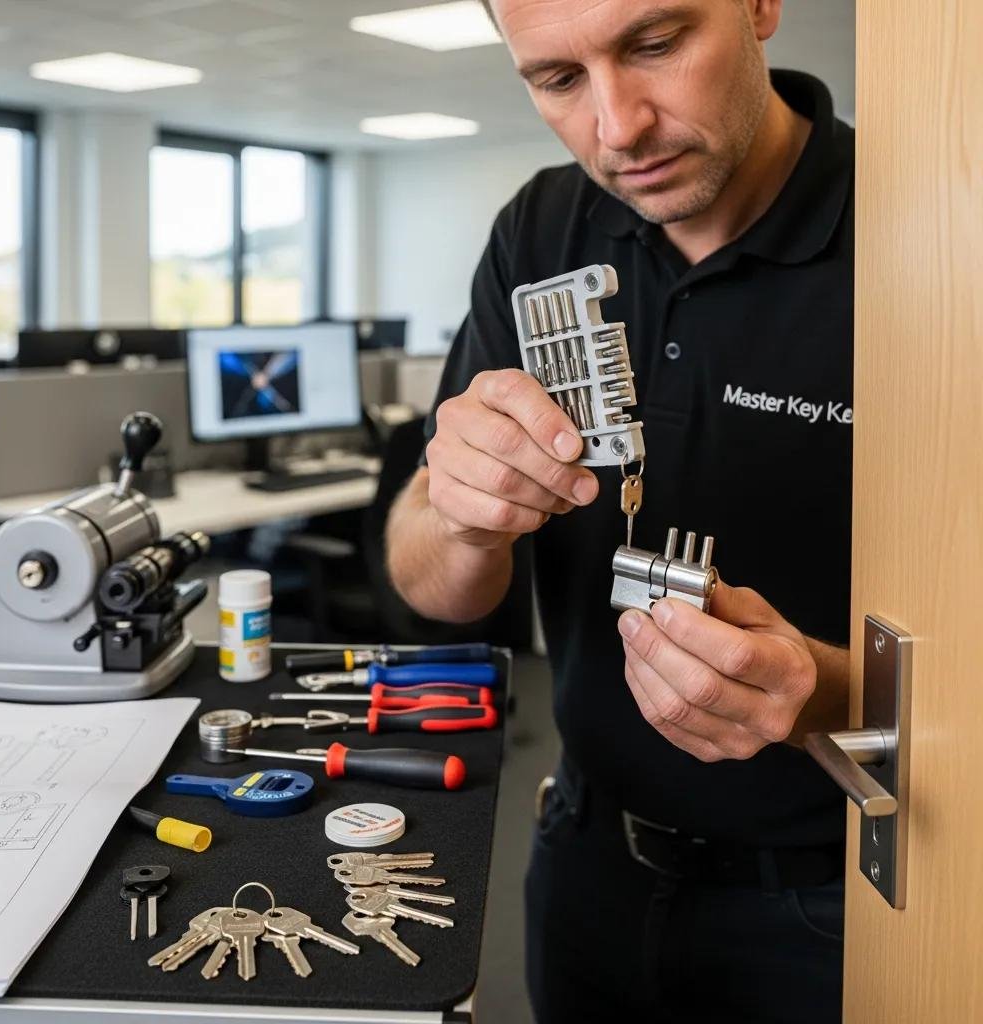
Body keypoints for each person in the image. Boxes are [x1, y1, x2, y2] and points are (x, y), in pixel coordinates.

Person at [386, 1, 852, 1020]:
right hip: (585, 857)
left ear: (760, 7)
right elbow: (429, 578)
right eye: (556, 80)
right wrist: (463, 520)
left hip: (841, 895)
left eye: (654, 43)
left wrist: (827, 695)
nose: (619, 126)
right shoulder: (540, 227)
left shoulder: (928, 234)